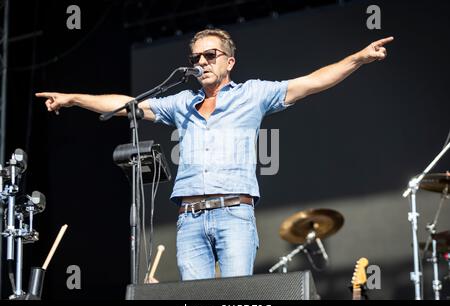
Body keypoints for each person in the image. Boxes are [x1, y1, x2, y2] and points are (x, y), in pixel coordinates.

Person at [36, 28, 393, 281]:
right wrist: (72, 98)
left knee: (235, 303)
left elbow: (311, 82)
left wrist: (358, 58)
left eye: (211, 55)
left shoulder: (253, 94)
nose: (202, 61)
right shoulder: (181, 102)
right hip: (189, 219)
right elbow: (128, 106)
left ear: (230, 62)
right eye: (196, 57)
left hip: (234, 213)